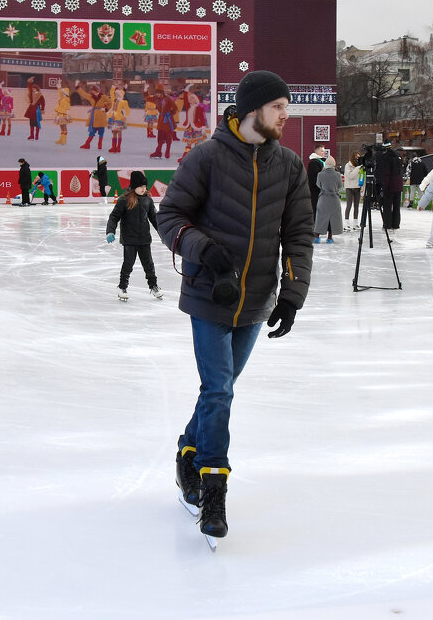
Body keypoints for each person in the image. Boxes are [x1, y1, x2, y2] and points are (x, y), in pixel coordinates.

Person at [156, 70, 313, 542]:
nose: (286, 116)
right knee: (220, 390)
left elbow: (299, 234)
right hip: (210, 295)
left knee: (216, 389)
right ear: (252, 111)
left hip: (258, 297)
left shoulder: (288, 166)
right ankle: (213, 486)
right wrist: (203, 250)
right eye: (278, 108)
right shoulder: (206, 157)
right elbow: (169, 217)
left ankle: (188, 447)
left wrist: (292, 292)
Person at [105, 171, 162, 301]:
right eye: (141, 186)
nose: (144, 189)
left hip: (144, 239)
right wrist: (110, 231)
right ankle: (122, 287)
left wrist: (163, 234)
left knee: (149, 265)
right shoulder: (124, 200)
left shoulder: (148, 200)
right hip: (129, 239)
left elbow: (155, 219)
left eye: (145, 186)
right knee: (128, 264)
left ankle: (153, 286)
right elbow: (114, 217)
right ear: (134, 186)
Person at [312, 159, 343, 244]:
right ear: (334, 164)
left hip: (323, 198)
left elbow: (318, 184)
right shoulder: (337, 174)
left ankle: (317, 236)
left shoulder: (320, 174)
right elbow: (340, 185)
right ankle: (330, 237)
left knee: (320, 218)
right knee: (333, 219)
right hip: (334, 199)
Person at [306, 144, 327, 226]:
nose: (323, 153)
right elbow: (313, 178)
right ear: (316, 151)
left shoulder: (322, 161)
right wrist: (320, 187)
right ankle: (315, 226)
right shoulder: (314, 163)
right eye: (322, 151)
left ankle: (320, 225)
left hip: (322, 190)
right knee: (316, 208)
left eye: (324, 151)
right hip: (316, 191)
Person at [343, 152, 363, 230]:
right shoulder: (348, 165)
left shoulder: (360, 166)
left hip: (357, 187)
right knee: (349, 205)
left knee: (356, 206)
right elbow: (351, 176)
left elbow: (362, 176)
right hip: (349, 187)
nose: (357, 159)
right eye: (356, 158)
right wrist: (358, 168)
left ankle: (355, 223)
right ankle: (346, 223)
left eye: (359, 158)